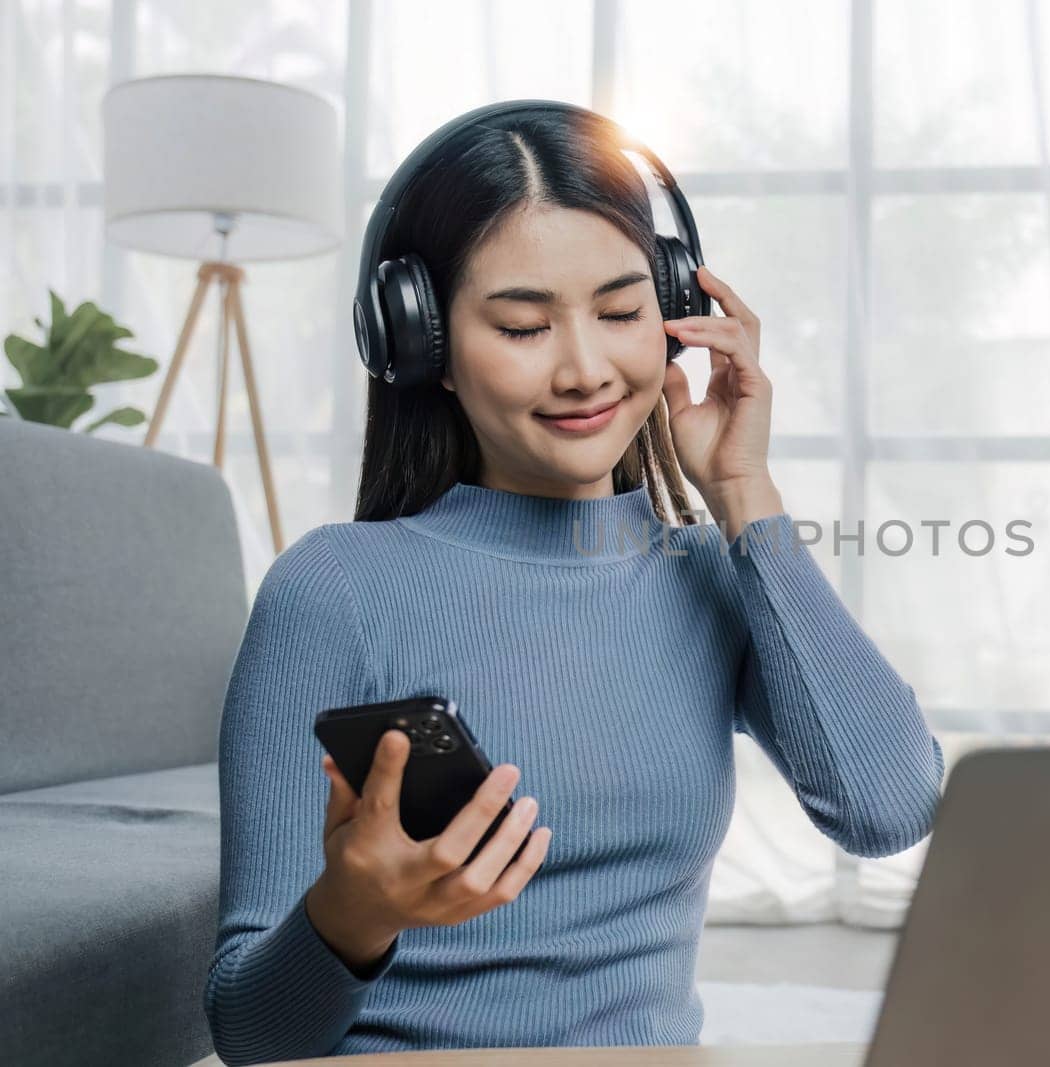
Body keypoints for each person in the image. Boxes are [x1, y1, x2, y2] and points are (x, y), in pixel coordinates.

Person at [202, 104, 945, 1064]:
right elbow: (252, 1034)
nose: (586, 370)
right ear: (422, 346)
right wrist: (351, 915)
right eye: (521, 326)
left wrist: (743, 497)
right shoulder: (333, 589)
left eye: (624, 312)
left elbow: (889, 809)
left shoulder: (706, 575)